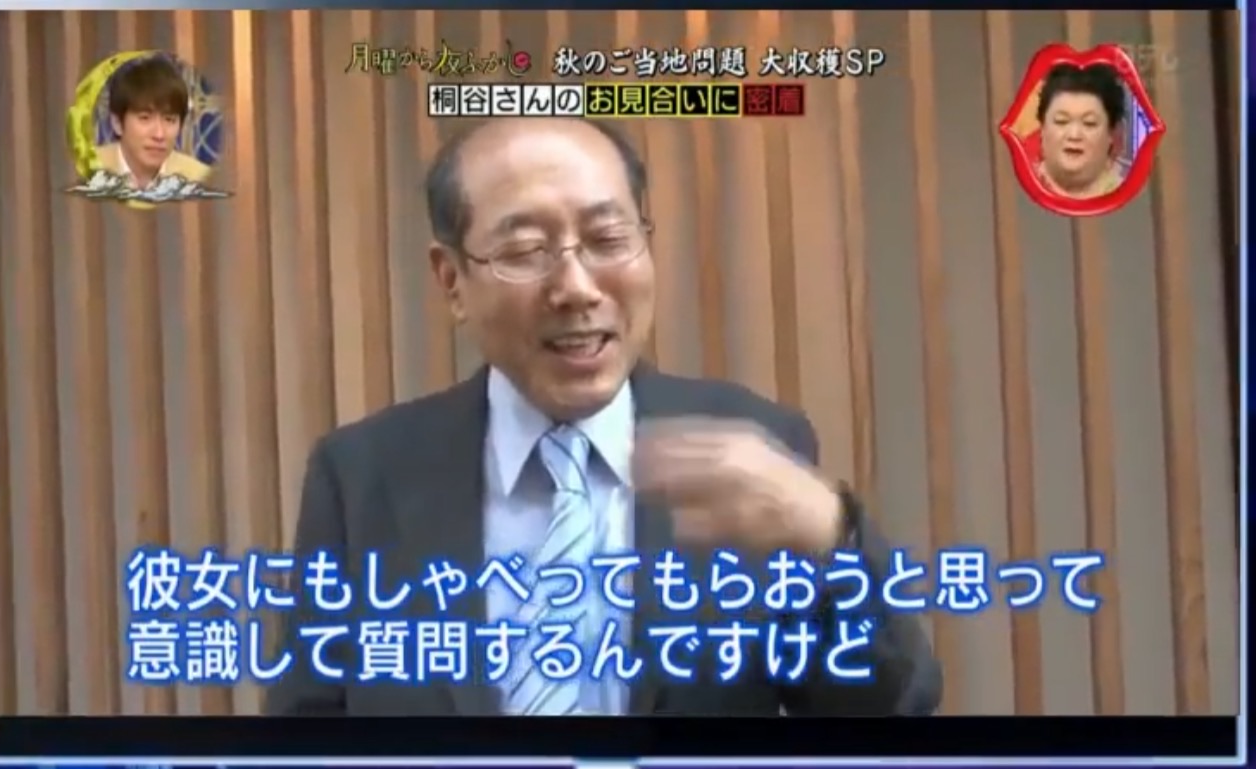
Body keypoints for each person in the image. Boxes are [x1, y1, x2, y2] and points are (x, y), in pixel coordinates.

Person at [265, 118, 941, 718]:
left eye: (608, 238)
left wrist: (833, 537)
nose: (576, 288)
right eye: (525, 251)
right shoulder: (362, 476)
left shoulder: (756, 448)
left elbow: (893, 707)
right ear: (452, 282)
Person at [93, 56, 210, 190]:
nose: (159, 135)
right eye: (145, 118)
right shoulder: (88, 170)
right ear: (117, 123)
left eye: (169, 120)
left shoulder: (200, 180)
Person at [1033, 63, 1128, 199]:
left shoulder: (1127, 193)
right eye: (1061, 121)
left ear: (1111, 133)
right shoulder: (1018, 189)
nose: (1074, 135)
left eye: (1089, 123)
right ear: (1042, 128)